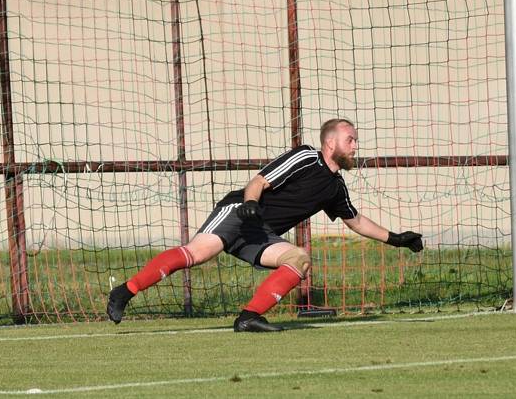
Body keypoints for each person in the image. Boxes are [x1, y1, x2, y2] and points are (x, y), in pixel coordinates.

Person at [106, 118, 424, 332]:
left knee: (299, 259)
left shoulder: (335, 187)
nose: (355, 145)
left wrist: (396, 239)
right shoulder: (305, 157)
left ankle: (249, 317)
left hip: (262, 233)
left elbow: (355, 221)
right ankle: (125, 291)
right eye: (350, 139)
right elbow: (260, 180)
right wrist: (250, 205)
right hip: (240, 211)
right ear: (331, 144)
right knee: (199, 254)